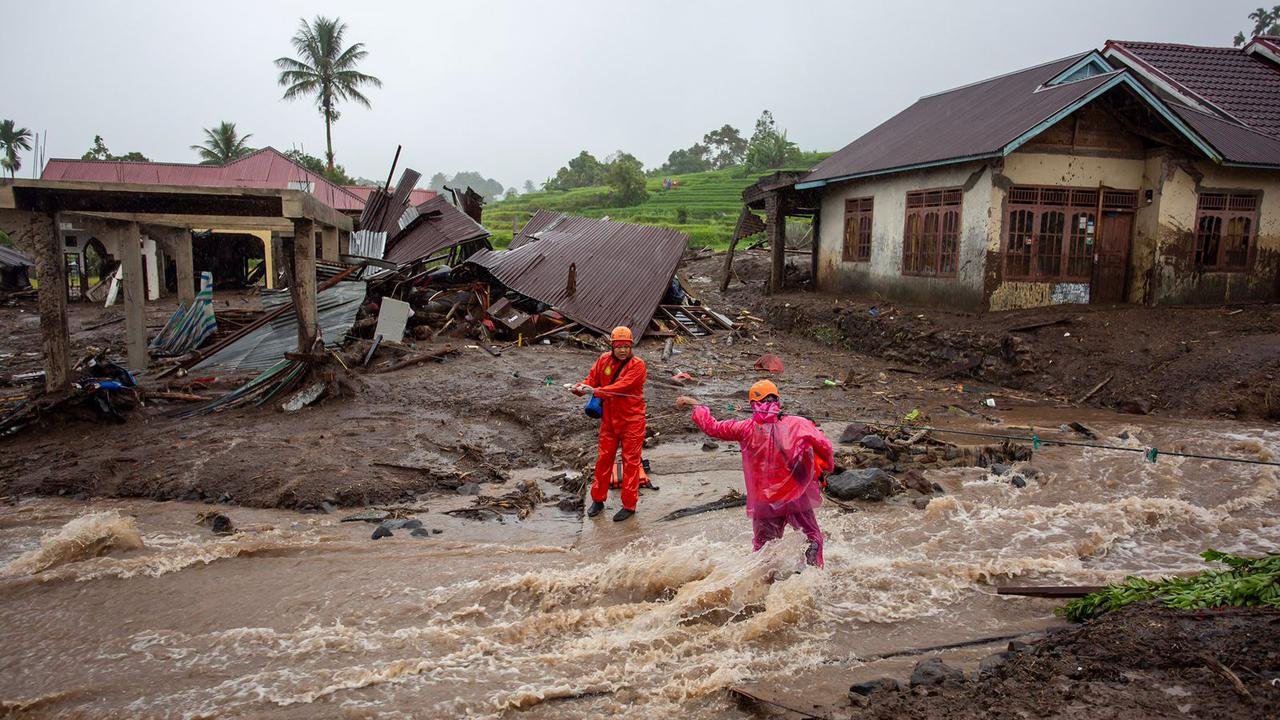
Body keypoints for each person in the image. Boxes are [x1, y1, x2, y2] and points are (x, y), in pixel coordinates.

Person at [676, 380, 833, 567]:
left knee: (764, 550)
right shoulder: (798, 424)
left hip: (765, 503)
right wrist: (825, 470)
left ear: (752, 404)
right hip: (796, 498)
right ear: (777, 400)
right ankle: (811, 577)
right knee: (813, 537)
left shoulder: (744, 428)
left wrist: (696, 406)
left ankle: (763, 586)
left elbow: (712, 427)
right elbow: (825, 446)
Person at [572, 326, 648, 522]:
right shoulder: (603, 360)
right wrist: (579, 388)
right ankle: (597, 499)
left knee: (631, 462)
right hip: (609, 420)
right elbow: (591, 380)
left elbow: (620, 386)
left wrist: (595, 391)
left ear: (631, 346)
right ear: (612, 346)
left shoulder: (638, 366)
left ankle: (629, 505)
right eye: (619, 346)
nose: (623, 350)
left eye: (627, 346)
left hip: (632, 421)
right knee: (603, 459)